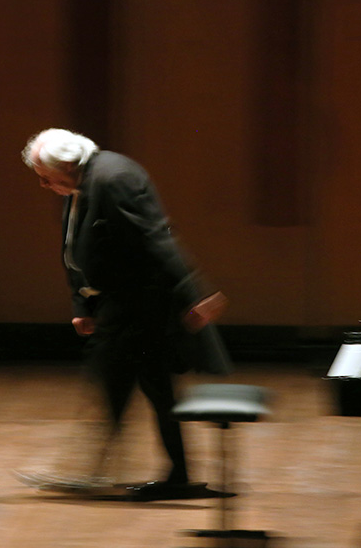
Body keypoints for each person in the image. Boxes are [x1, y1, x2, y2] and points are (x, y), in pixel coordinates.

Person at [21, 128, 232, 495]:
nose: (42, 184)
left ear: (68, 164)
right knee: (150, 386)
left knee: (119, 381)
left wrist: (194, 292)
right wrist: (81, 302)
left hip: (140, 305)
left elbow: (155, 237)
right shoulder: (84, 181)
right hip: (121, 305)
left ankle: (97, 471)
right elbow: (74, 247)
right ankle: (171, 474)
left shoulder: (113, 178)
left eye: (45, 176)